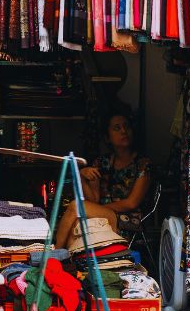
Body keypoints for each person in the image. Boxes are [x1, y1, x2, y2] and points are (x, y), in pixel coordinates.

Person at [55, 106, 153, 249]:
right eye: (117, 128)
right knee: (76, 224)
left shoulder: (143, 164)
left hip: (129, 221)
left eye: (126, 127)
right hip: (104, 216)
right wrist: (82, 177)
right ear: (107, 137)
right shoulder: (102, 163)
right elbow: (93, 199)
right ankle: (72, 265)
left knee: (76, 206)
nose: (123, 131)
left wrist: (96, 209)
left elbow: (132, 203)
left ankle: (55, 254)